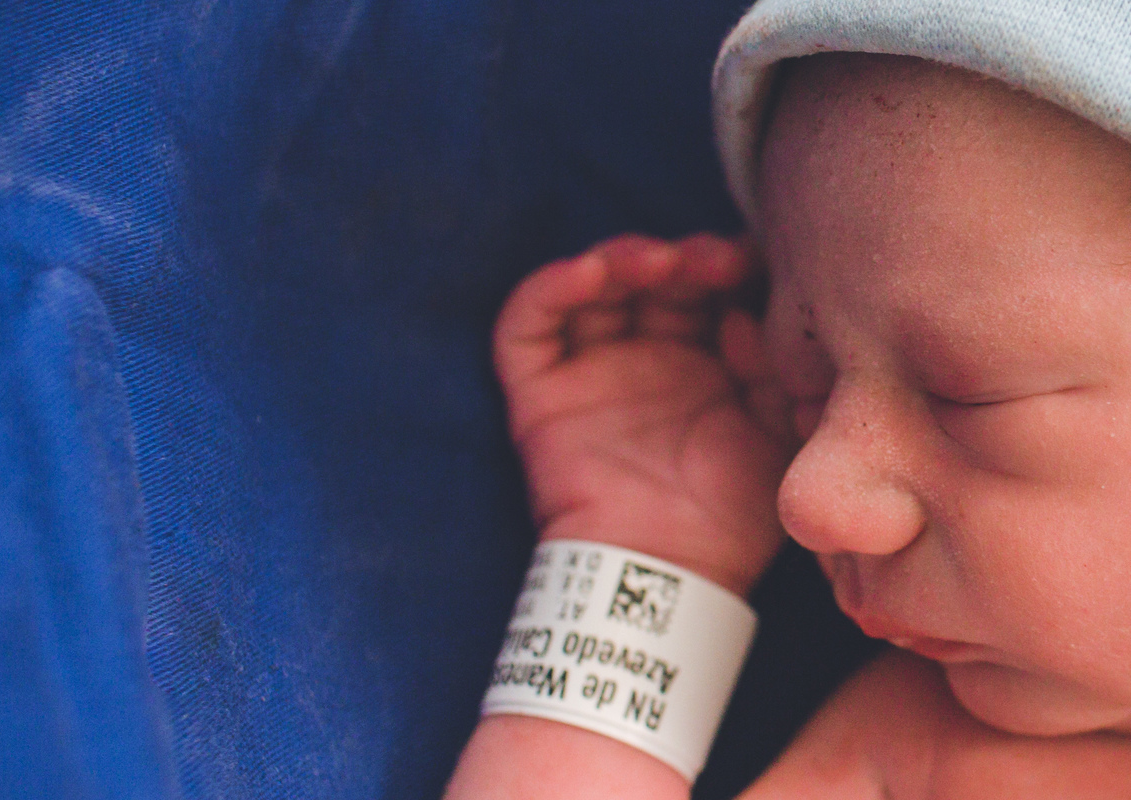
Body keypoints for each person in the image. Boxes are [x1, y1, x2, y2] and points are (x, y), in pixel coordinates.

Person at [444, 2, 1131, 798]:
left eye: (967, 397)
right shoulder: (921, 751)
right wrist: (646, 561)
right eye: (806, 391)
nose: (810, 500)